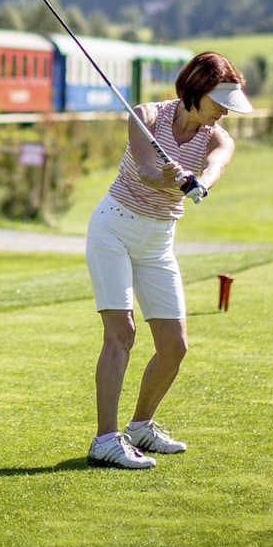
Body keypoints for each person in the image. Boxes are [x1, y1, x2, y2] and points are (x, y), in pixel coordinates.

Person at [84, 51, 251, 469]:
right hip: (113, 229)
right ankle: (105, 439)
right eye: (219, 104)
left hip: (158, 242)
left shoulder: (217, 136)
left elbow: (216, 165)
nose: (223, 115)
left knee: (174, 347)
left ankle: (141, 426)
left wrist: (198, 182)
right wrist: (167, 175)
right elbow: (142, 168)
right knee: (121, 332)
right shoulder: (146, 116)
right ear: (196, 91)